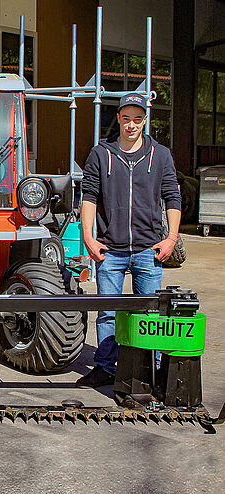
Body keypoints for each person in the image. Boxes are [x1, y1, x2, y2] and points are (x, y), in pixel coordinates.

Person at [76, 92, 182, 388]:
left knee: (150, 314)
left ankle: (154, 370)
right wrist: (88, 237)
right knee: (107, 313)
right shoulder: (101, 154)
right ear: (118, 119)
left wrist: (171, 238)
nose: (131, 124)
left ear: (145, 120)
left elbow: (172, 196)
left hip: (150, 249)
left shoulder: (160, 155)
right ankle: (106, 367)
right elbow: (89, 196)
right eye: (126, 119)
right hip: (110, 249)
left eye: (137, 119)